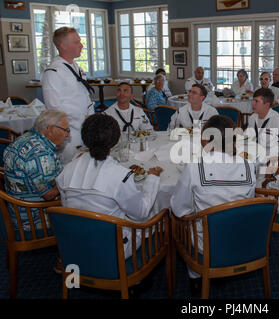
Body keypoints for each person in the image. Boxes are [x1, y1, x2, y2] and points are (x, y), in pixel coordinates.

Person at [56, 113, 163, 258]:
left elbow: (67, 209)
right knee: (158, 220)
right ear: (116, 140)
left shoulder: (66, 170)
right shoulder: (121, 176)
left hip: (74, 244)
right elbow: (141, 213)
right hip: (112, 249)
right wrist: (152, 179)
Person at [170, 115, 257, 291]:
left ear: (205, 139)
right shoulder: (249, 164)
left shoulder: (195, 166)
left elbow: (180, 209)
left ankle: (196, 275)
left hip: (207, 245)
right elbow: (249, 202)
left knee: (175, 217)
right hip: (242, 237)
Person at [3, 110, 69, 230]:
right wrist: (69, 177)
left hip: (16, 210)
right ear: (50, 129)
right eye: (66, 130)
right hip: (33, 219)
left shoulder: (25, 138)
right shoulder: (40, 153)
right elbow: (49, 195)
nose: (68, 135)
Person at [41, 27, 95, 164]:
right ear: (63, 46)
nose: (81, 45)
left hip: (85, 128)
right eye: (77, 42)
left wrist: (90, 117)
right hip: (69, 133)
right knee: (70, 170)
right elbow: (54, 108)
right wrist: (82, 118)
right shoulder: (53, 72)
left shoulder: (76, 68)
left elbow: (85, 96)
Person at [246, 88, 279, 159]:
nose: (253, 104)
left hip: (268, 161)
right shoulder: (253, 117)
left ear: (266, 105)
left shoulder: (277, 121)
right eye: (253, 100)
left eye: (256, 101)